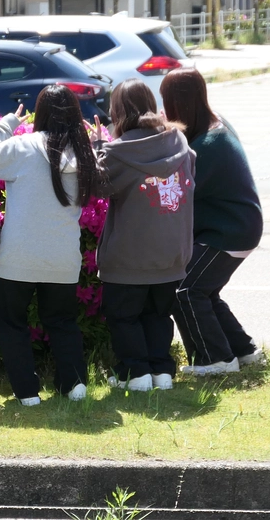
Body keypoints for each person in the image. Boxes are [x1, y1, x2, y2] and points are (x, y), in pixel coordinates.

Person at [0, 86, 101, 405]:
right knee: (62, 321)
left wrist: (9, 122)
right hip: (63, 258)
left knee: (13, 323)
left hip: (18, 257)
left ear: (39, 113)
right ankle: (74, 384)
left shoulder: (23, 146)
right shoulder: (84, 153)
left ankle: (27, 393)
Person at [91, 79, 195, 392]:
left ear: (118, 112)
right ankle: (161, 372)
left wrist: (98, 148)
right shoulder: (178, 141)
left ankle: (134, 374)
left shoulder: (118, 152)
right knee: (159, 316)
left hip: (129, 255)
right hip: (171, 252)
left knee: (124, 317)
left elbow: (97, 187)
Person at [160, 68, 264, 376]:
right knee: (203, 289)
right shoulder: (214, 123)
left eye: (167, 103)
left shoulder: (207, 146)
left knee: (185, 289)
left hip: (229, 232)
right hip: (237, 226)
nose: (165, 111)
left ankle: (215, 360)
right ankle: (244, 352)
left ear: (179, 103)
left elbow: (174, 196)